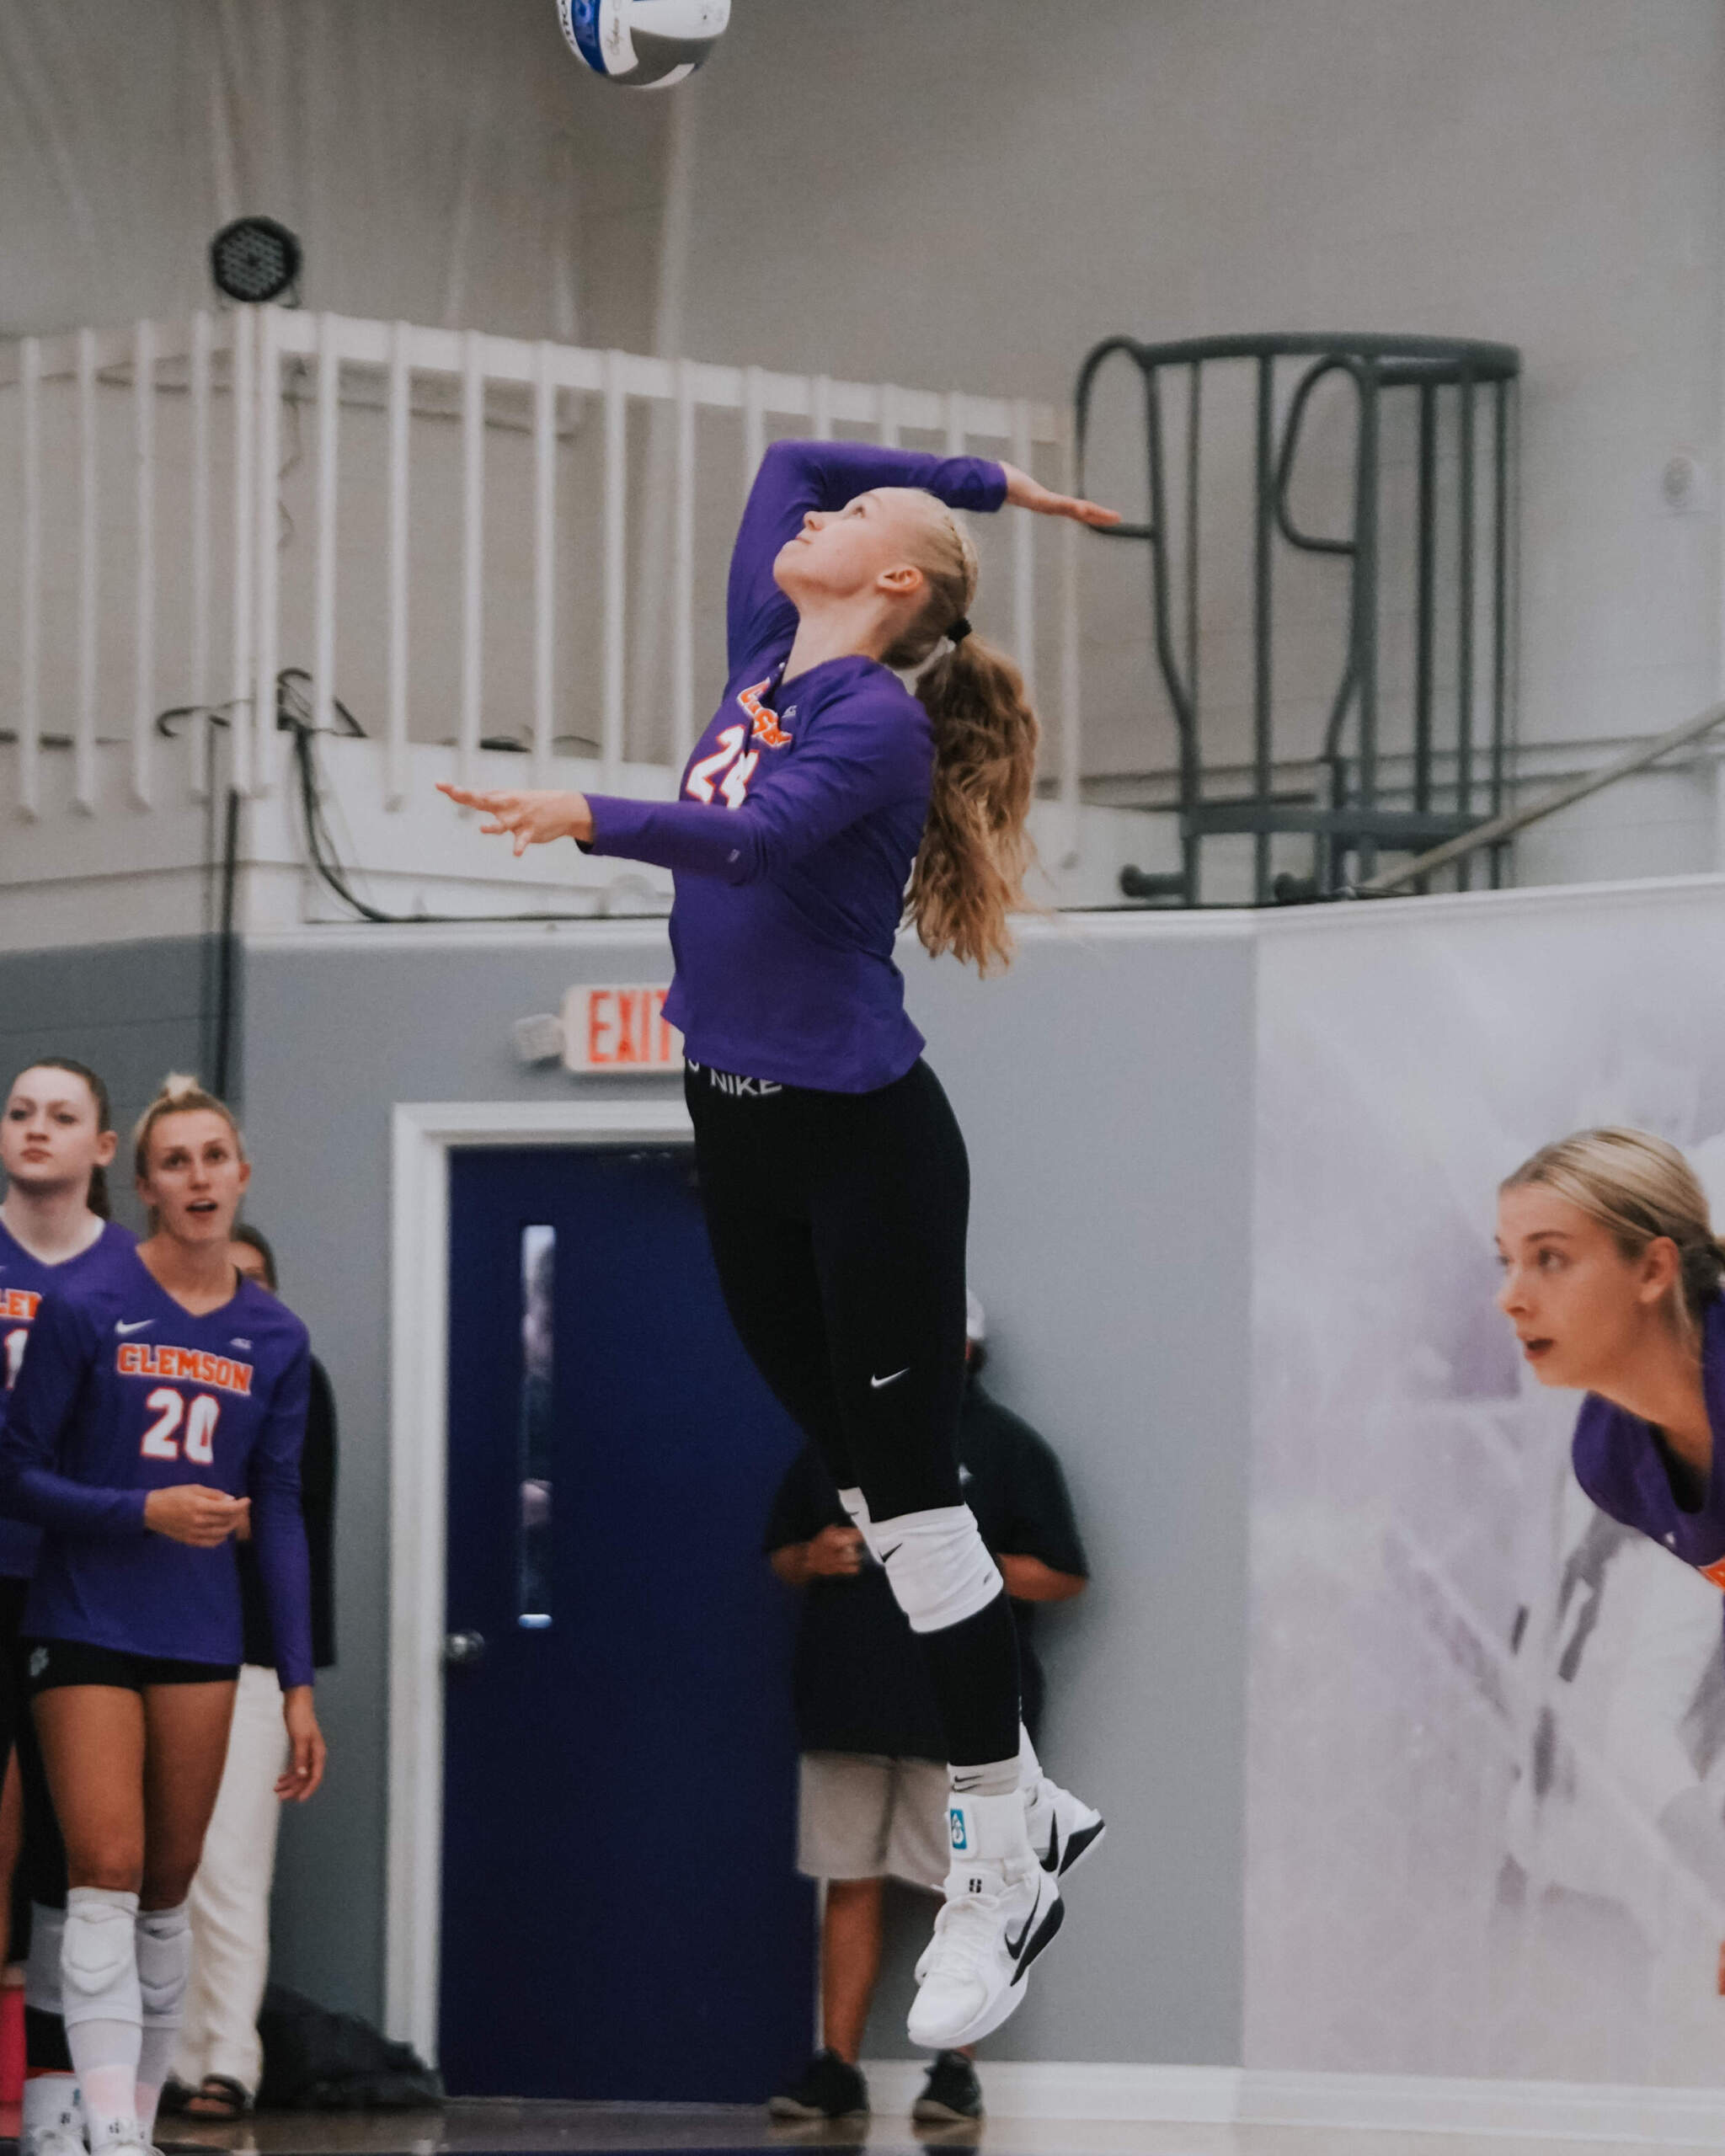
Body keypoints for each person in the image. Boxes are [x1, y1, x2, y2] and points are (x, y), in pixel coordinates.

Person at [439, 434, 1117, 2047]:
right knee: (870, 1492)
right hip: (733, 1123)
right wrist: (984, 479)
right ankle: (1028, 1799)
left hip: (862, 1147)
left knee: (917, 1504)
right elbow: (788, 454)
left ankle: (996, 1863)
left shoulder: (872, 721)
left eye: (861, 517)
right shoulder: (768, 649)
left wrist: (583, 811)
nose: (817, 511)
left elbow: (747, 841)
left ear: (891, 581)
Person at [0, 1075, 326, 2156]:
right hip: (83, 1616)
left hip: (199, 1633)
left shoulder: (276, 1335)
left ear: (242, 1174)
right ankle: (105, 2129)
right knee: (102, 1868)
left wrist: (297, 1682)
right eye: (174, 1160)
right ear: (142, 1184)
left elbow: (282, 1509)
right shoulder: (85, 1304)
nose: (197, 1177)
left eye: (212, 1157)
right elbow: (16, 1472)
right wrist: (143, 1508)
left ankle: (132, 2115)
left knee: (165, 1893)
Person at [765, 1292, 1092, 2123]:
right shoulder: (841, 1438)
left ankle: (954, 2073)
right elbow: (782, 1554)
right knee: (848, 1881)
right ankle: (836, 2070)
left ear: (966, 1351)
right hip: (845, 1706)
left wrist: (970, 1563)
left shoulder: (1009, 1449)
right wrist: (815, 1556)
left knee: (967, 1894)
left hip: (958, 1720)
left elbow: (1063, 1574)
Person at [161, 1223, 338, 2121]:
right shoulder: (156, 1375)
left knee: (230, 1863)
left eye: (255, 1279)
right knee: (160, 1870)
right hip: (155, 1642)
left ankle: (228, 2059)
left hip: (256, 1653)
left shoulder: (296, 1376)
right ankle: (165, 2060)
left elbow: (291, 1512)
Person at [1, 1062, 136, 2156]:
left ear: (103, 1145)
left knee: (71, 1850)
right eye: (18, 1112)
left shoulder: (131, 1274)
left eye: (61, 1115)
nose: (35, 1129)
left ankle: (56, 2091)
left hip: (81, 1582)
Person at [1496, 1125, 1725, 1619]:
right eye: (1506, 1261)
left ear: (1653, 1270)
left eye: (1549, 1258)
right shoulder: (1607, 1461)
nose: (1509, 1299)